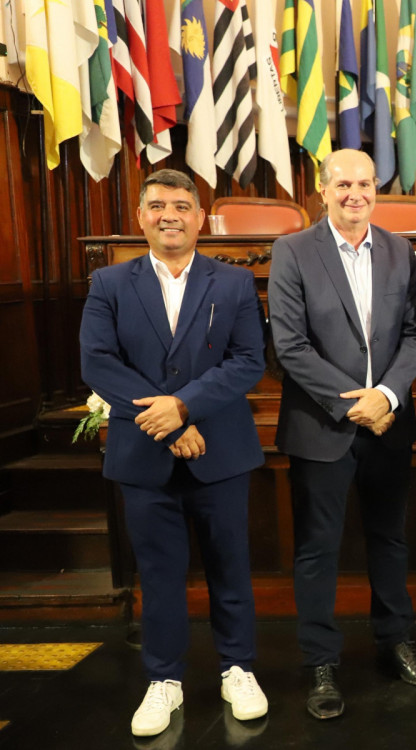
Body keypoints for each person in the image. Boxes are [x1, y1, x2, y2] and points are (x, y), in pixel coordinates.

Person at [80, 169, 269, 737]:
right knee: (159, 575)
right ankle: (164, 680)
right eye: (158, 205)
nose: (170, 215)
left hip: (221, 450)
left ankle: (238, 669)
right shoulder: (109, 283)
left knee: (230, 567)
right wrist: (166, 425)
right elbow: (98, 363)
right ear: (141, 216)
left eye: (182, 206)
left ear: (199, 218)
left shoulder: (233, 282)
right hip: (144, 456)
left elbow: (248, 361)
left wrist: (183, 407)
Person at [268, 149, 416, 721]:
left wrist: (387, 396)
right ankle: (321, 662)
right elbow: (289, 345)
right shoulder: (293, 250)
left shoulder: (398, 250)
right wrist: (356, 405)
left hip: (388, 424)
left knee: (390, 540)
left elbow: (415, 334)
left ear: (376, 189)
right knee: (317, 549)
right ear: (322, 190)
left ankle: (397, 644)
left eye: (365, 184)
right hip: (322, 425)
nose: (355, 194)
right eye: (343, 184)